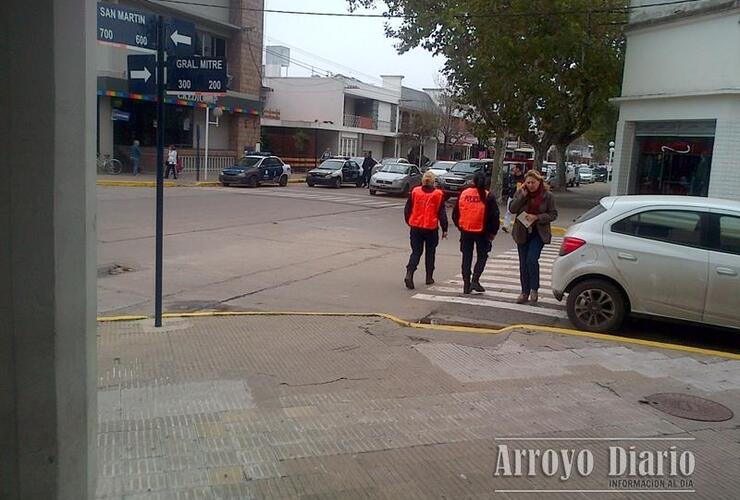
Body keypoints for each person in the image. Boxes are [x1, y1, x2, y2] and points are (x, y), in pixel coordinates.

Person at [509, 170, 558, 304]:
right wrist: (521, 197)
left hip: (538, 232)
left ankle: (534, 289)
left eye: (533, 182)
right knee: (523, 263)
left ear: (539, 181)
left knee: (531, 259)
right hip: (522, 231)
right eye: (528, 182)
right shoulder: (522, 193)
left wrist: (537, 217)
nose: (530, 185)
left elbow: (553, 214)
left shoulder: (547, 196)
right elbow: (512, 209)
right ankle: (524, 292)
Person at [452, 172, 500, 294]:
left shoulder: (464, 193)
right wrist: (493, 232)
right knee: (482, 256)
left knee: (466, 257)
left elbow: (455, 214)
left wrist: (460, 226)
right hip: (482, 232)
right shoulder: (488, 196)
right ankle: (475, 280)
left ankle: (466, 283)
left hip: (466, 230)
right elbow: (494, 216)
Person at [404, 171, 448, 289]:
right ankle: (429, 277)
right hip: (430, 228)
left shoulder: (415, 191)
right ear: (433, 182)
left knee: (416, 252)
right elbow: (442, 213)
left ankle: (409, 273)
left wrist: (409, 221)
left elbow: (407, 209)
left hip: (416, 227)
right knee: (430, 253)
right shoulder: (438, 194)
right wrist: (445, 228)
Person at [501, 164, 524, 233]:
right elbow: (509, 185)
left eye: (515, 168)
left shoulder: (523, 177)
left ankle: (523, 227)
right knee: (509, 211)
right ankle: (505, 225)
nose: (513, 169)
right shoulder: (511, 177)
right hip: (512, 196)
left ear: (518, 169)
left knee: (522, 212)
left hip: (520, 197)